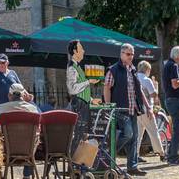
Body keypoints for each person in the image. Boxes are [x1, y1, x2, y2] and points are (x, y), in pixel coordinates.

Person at [104, 44, 148, 176]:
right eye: (128, 54)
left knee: (134, 137)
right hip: (119, 109)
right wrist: (108, 106)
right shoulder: (113, 70)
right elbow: (106, 87)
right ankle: (108, 154)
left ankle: (132, 167)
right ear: (121, 54)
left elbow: (138, 90)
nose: (131, 57)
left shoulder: (133, 70)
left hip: (133, 109)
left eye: (132, 54)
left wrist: (147, 107)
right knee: (128, 134)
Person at [0, 83, 40, 178]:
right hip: (28, 149)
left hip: (7, 149)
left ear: (9, 95)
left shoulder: (0, 109)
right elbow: (38, 129)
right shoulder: (33, 110)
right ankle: (27, 175)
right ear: (23, 95)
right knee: (34, 138)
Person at [66, 40, 95, 175]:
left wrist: (91, 99)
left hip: (84, 104)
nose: (83, 51)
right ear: (74, 52)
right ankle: (72, 168)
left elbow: (81, 89)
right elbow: (72, 89)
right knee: (77, 136)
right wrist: (88, 81)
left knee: (83, 135)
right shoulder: (72, 67)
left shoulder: (78, 67)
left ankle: (79, 166)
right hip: (79, 105)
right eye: (81, 49)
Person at [0, 54, 29, 122]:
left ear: (7, 62)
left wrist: (28, 95)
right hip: (0, 110)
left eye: (3, 62)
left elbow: (21, 88)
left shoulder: (13, 73)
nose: (0, 64)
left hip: (14, 109)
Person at [133, 60, 163, 163]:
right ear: (147, 70)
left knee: (137, 134)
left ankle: (135, 155)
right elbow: (153, 95)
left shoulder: (134, 77)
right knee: (154, 132)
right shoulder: (147, 80)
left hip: (135, 110)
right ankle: (161, 153)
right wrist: (156, 86)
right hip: (146, 110)